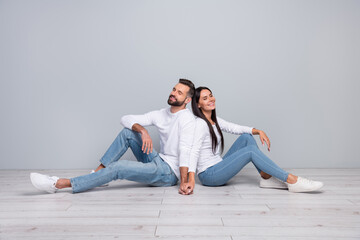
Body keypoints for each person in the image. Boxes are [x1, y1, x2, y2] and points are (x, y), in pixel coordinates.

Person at [30, 79, 196, 194]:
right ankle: (97, 174)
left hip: (168, 172)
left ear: (187, 100)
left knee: (119, 167)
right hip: (158, 159)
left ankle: (60, 184)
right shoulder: (161, 114)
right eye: (174, 89)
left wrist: (184, 181)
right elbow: (125, 119)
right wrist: (143, 131)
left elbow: (185, 151)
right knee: (128, 132)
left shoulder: (186, 119)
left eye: (179, 93)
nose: (173, 93)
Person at [182, 86, 323, 194]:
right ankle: (291, 180)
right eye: (205, 98)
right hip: (209, 175)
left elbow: (234, 128)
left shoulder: (214, 120)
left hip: (218, 165)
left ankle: (266, 178)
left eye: (211, 96)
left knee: (246, 138)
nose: (211, 99)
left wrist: (258, 131)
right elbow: (193, 151)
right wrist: (192, 179)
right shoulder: (200, 124)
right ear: (198, 105)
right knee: (250, 151)